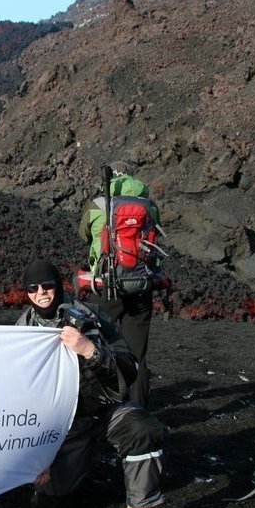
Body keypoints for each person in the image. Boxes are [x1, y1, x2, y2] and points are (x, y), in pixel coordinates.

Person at [16, 259, 169, 508]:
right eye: (33, 288)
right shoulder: (20, 333)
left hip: (104, 408)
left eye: (47, 285)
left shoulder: (92, 315)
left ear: (58, 285)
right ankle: (73, 470)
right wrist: (38, 456)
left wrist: (90, 350)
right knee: (55, 504)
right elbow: (19, 398)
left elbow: (130, 366)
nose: (41, 293)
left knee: (142, 427)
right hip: (62, 426)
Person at [78, 160, 166, 411]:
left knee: (94, 345)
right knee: (137, 353)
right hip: (141, 285)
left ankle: (97, 403)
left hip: (107, 285)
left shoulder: (98, 204)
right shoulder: (149, 206)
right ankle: (137, 410)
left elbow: (84, 233)